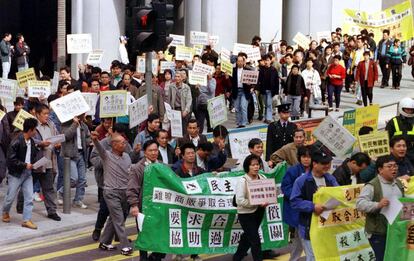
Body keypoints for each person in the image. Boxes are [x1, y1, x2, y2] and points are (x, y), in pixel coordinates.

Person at [290, 149, 339, 261]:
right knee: (313, 257)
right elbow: (295, 201)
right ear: (315, 164)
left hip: (328, 225)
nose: (327, 166)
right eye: (324, 164)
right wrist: (312, 206)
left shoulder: (330, 179)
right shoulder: (301, 180)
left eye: (329, 163)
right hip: (308, 226)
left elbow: (339, 194)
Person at [91, 131, 133, 256]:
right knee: (119, 219)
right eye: (121, 142)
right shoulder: (106, 156)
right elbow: (99, 148)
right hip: (111, 192)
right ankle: (125, 246)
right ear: (114, 145)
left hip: (125, 192)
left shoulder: (127, 156)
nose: (124, 144)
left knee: (114, 218)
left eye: (124, 142)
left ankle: (104, 242)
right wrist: (95, 140)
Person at [356, 155, 404, 261]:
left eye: (395, 166)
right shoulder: (372, 185)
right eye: (389, 166)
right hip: (379, 232)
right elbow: (359, 204)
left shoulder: (399, 183)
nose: (394, 169)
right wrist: (377, 205)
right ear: (380, 170)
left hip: (396, 231)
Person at [128, 140, 165, 261]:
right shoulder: (138, 168)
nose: (154, 153)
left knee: (160, 236)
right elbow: (132, 187)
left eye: (156, 150)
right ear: (145, 152)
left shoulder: (162, 166)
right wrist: (134, 205)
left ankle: (155, 257)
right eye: (151, 150)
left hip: (160, 207)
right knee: (144, 236)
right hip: (143, 207)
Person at [2, 118, 40, 229]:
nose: (36, 132)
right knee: (10, 197)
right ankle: (5, 211)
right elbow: (11, 160)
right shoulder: (16, 141)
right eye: (35, 130)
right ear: (30, 130)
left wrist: (33, 164)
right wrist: (24, 165)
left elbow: (31, 156)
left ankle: (26, 220)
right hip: (16, 174)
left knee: (29, 197)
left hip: (28, 173)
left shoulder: (32, 142)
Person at [233, 154, 268, 261]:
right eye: (253, 165)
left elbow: (267, 193)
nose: (256, 167)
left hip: (259, 212)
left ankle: (237, 257)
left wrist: (268, 199)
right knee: (255, 240)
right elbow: (239, 200)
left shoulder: (263, 177)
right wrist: (255, 203)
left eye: (257, 164)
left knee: (248, 237)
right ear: (247, 166)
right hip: (245, 214)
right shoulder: (242, 181)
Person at [281, 146, 312, 261]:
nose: (306, 159)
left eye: (309, 157)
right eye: (304, 157)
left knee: (301, 238)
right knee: (302, 237)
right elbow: (285, 187)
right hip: (296, 210)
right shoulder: (293, 171)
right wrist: (297, 196)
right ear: (299, 158)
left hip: (310, 209)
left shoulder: (315, 170)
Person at [32, 104, 61, 221]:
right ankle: (20, 205)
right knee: (27, 186)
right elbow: (26, 138)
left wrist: (58, 144)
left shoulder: (51, 124)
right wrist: (40, 143)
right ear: (37, 114)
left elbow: (56, 137)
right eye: (44, 114)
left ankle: (52, 211)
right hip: (35, 162)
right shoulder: (32, 124)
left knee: (49, 188)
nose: (47, 116)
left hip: (49, 161)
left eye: (48, 113)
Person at [58, 115, 91, 208]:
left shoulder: (84, 125)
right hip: (69, 155)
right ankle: (61, 192)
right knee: (73, 178)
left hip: (81, 154)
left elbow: (88, 137)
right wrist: (74, 124)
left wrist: (88, 141)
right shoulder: (66, 123)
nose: (82, 116)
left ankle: (78, 199)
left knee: (82, 179)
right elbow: (66, 136)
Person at [386, 97, 414, 165]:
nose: (409, 111)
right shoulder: (393, 121)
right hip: (396, 156)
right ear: (402, 108)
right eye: (407, 109)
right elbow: (386, 138)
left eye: (411, 110)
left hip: (412, 155)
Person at [231, 54, 252, 128]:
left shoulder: (248, 70)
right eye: (238, 61)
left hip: (245, 91)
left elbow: (253, 80)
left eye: (241, 61)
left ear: (243, 62)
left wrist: (250, 84)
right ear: (236, 62)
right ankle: (239, 123)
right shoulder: (233, 71)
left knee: (243, 106)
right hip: (236, 91)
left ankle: (244, 123)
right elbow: (231, 82)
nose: (239, 62)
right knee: (237, 108)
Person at [258, 54, 279, 124]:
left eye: (268, 60)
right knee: (265, 105)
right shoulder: (261, 69)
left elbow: (276, 81)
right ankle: (266, 117)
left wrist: (276, 91)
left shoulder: (274, 70)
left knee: (269, 104)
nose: (266, 62)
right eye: (265, 60)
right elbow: (259, 80)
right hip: (263, 90)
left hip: (271, 90)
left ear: (270, 61)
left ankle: (269, 118)